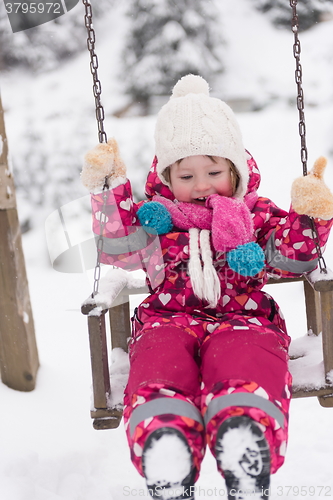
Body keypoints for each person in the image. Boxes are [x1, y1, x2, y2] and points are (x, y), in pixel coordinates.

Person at [81, 74, 333, 500]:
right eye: (186, 175)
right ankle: (166, 445)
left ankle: (246, 439)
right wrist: (109, 190)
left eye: (214, 171)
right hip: (166, 320)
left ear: (235, 171)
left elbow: (292, 256)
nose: (201, 185)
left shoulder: (254, 215)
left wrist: (308, 216)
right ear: (166, 178)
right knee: (158, 365)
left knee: (247, 361)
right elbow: (120, 247)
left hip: (245, 319)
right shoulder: (154, 219)